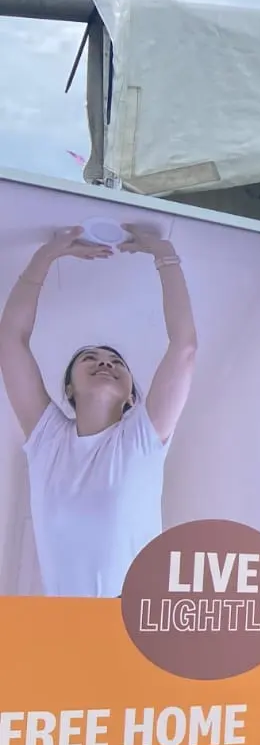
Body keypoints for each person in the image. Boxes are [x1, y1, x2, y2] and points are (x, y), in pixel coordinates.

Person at [0, 223, 197, 597]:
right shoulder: (48, 440)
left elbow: (184, 347)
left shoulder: (142, 439)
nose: (105, 362)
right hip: (67, 621)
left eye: (116, 362)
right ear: (69, 388)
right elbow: (11, 339)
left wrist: (165, 256)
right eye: (89, 358)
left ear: (131, 398)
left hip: (134, 620)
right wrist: (46, 256)